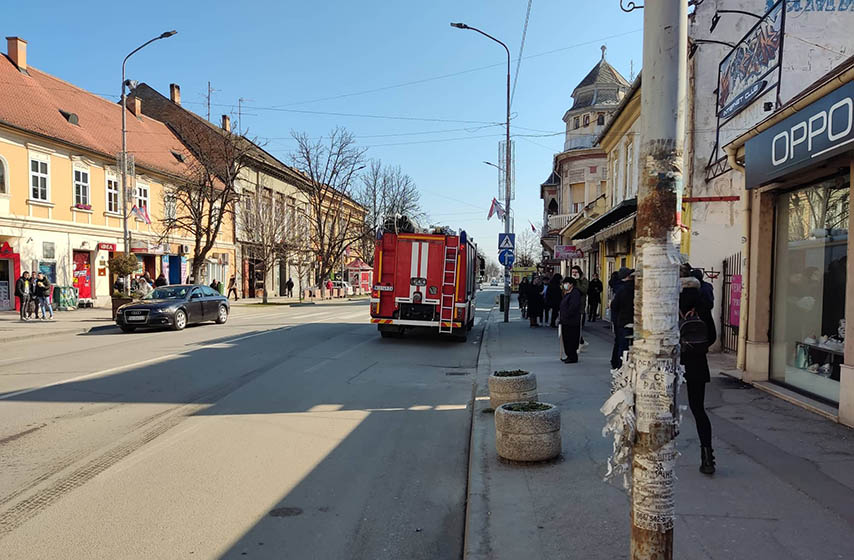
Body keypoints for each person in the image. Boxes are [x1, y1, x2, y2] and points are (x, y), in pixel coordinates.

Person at [680, 272, 718, 475]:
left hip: (671, 363)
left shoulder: (671, 305)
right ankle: (707, 457)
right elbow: (711, 337)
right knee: (698, 410)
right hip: (697, 363)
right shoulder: (704, 308)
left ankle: (661, 452)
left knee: (664, 408)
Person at [610, 267, 635, 369]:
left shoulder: (621, 289)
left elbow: (614, 305)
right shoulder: (637, 289)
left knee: (621, 343)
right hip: (633, 320)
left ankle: (619, 364)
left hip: (622, 320)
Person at [559, 276, 583, 363]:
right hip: (566, 320)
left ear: (571, 284)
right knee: (566, 339)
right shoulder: (567, 293)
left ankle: (572, 356)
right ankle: (569, 355)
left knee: (571, 339)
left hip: (572, 321)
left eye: (566, 283)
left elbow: (573, 307)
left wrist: (567, 315)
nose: (564, 285)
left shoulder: (575, 293)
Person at [570, 266, 589, 347]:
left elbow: (584, 290)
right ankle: (579, 341)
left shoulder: (583, 280)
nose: (574, 273)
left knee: (578, 326)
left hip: (580, 306)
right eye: (573, 272)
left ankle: (579, 342)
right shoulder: (570, 280)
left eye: (576, 272)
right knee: (571, 326)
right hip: (571, 305)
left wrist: (577, 281)